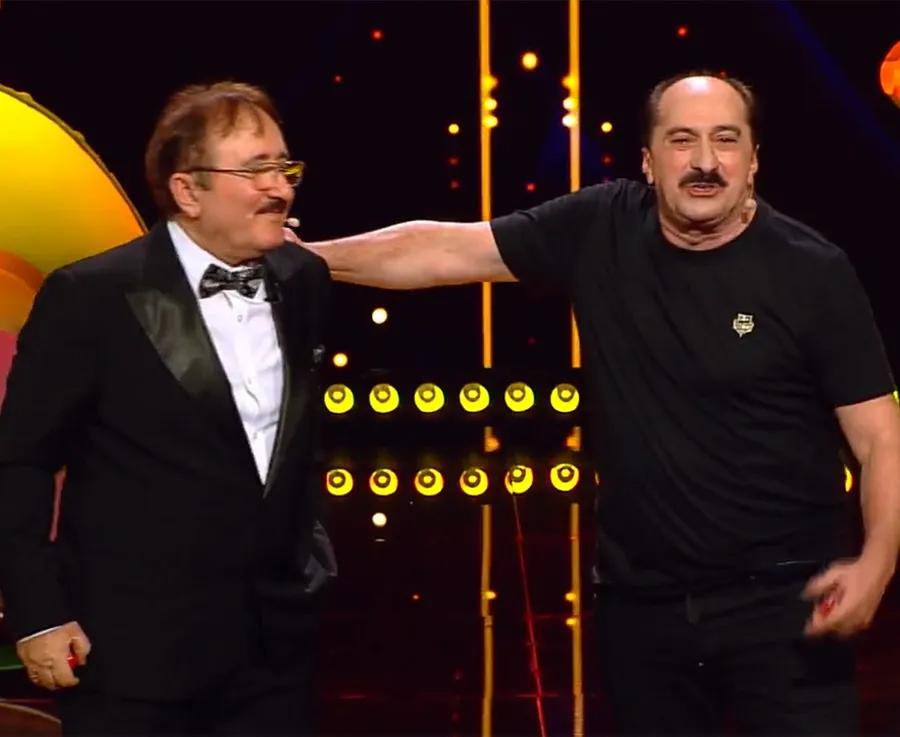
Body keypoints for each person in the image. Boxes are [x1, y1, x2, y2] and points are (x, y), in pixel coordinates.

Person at [290, 71, 900, 734]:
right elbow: (441, 249)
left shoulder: (811, 271)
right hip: (642, 611)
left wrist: (877, 562)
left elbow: (881, 438)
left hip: (787, 607)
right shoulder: (600, 226)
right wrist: (305, 259)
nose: (704, 161)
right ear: (648, 161)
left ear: (754, 160)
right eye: (682, 140)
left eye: (726, 140)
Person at [0, 81, 335, 735]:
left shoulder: (304, 281)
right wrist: (38, 614)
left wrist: (313, 562)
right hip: (132, 653)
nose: (280, 188)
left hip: (276, 652)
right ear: (188, 190)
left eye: (285, 166)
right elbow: (20, 463)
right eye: (256, 170)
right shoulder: (91, 297)